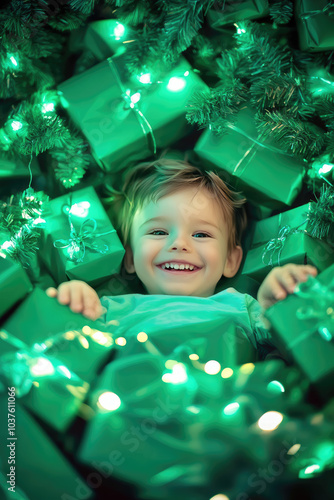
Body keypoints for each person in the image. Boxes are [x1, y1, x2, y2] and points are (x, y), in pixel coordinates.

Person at [46, 159, 317, 356]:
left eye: (201, 234)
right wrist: (79, 302)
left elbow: (294, 342)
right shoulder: (108, 310)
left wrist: (275, 302)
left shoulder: (242, 307)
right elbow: (71, 349)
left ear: (230, 260)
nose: (178, 244)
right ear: (129, 257)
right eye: (158, 231)